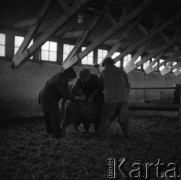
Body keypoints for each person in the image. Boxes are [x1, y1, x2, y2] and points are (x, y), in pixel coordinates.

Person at [39, 67, 76, 138]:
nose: (71, 80)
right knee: (55, 115)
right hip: (48, 97)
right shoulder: (59, 80)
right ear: (67, 76)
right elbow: (65, 93)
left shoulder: (60, 76)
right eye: (71, 79)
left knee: (47, 114)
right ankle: (58, 134)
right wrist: (75, 98)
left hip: (43, 95)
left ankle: (49, 131)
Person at [98, 57, 130, 139]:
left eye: (104, 65)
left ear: (106, 64)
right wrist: (125, 93)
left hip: (110, 99)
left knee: (105, 117)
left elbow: (100, 86)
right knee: (124, 117)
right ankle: (127, 134)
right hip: (123, 99)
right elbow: (127, 84)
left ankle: (103, 136)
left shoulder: (104, 72)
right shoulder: (122, 71)